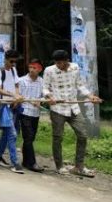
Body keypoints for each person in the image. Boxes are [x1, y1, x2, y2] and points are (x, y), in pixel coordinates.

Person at [43, 49, 102, 177]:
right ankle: (59, 166)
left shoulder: (75, 68)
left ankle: (78, 166)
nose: (59, 65)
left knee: (82, 135)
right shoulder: (49, 70)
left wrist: (90, 96)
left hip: (73, 107)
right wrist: (49, 97)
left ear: (67, 61)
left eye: (61, 63)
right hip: (58, 109)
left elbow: (80, 85)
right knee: (58, 137)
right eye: (57, 63)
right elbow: (45, 87)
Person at [0, 49, 25, 174]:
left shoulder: (13, 70)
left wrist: (17, 97)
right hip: (4, 106)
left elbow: (17, 85)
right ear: (5, 59)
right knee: (12, 134)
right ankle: (15, 162)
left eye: (15, 62)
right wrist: (12, 95)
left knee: (6, 133)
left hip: (14, 105)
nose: (13, 64)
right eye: (11, 61)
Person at [17, 59, 45, 172]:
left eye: (35, 68)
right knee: (28, 137)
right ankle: (32, 163)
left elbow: (45, 94)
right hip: (24, 111)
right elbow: (18, 95)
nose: (32, 70)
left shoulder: (42, 81)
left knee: (30, 138)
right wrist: (28, 100)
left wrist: (40, 100)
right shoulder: (21, 80)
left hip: (36, 113)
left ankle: (25, 161)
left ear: (39, 69)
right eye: (30, 67)